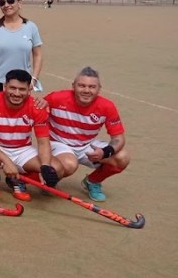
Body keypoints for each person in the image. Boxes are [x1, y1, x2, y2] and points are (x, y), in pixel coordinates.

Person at [0, 69, 63, 202]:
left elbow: (43, 142)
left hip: (22, 149)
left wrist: (45, 166)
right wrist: (7, 162)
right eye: (12, 88)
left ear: (29, 89)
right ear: (5, 87)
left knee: (56, 169)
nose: (16, 93)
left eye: (22, 89)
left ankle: (17, 180)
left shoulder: (37, 107)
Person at [44, 67, 130, 201]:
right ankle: (48, 181)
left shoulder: (107, 106)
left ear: (99, 89)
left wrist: (105, 152)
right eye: (81, 85)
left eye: (92, 87)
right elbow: (33, 112)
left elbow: (118, 138)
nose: (86, 90)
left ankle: (92, 181)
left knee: (122, 157)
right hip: (59, 143)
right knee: (69, 164)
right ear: (73, 86)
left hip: (86, 144)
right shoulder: (56, 98)